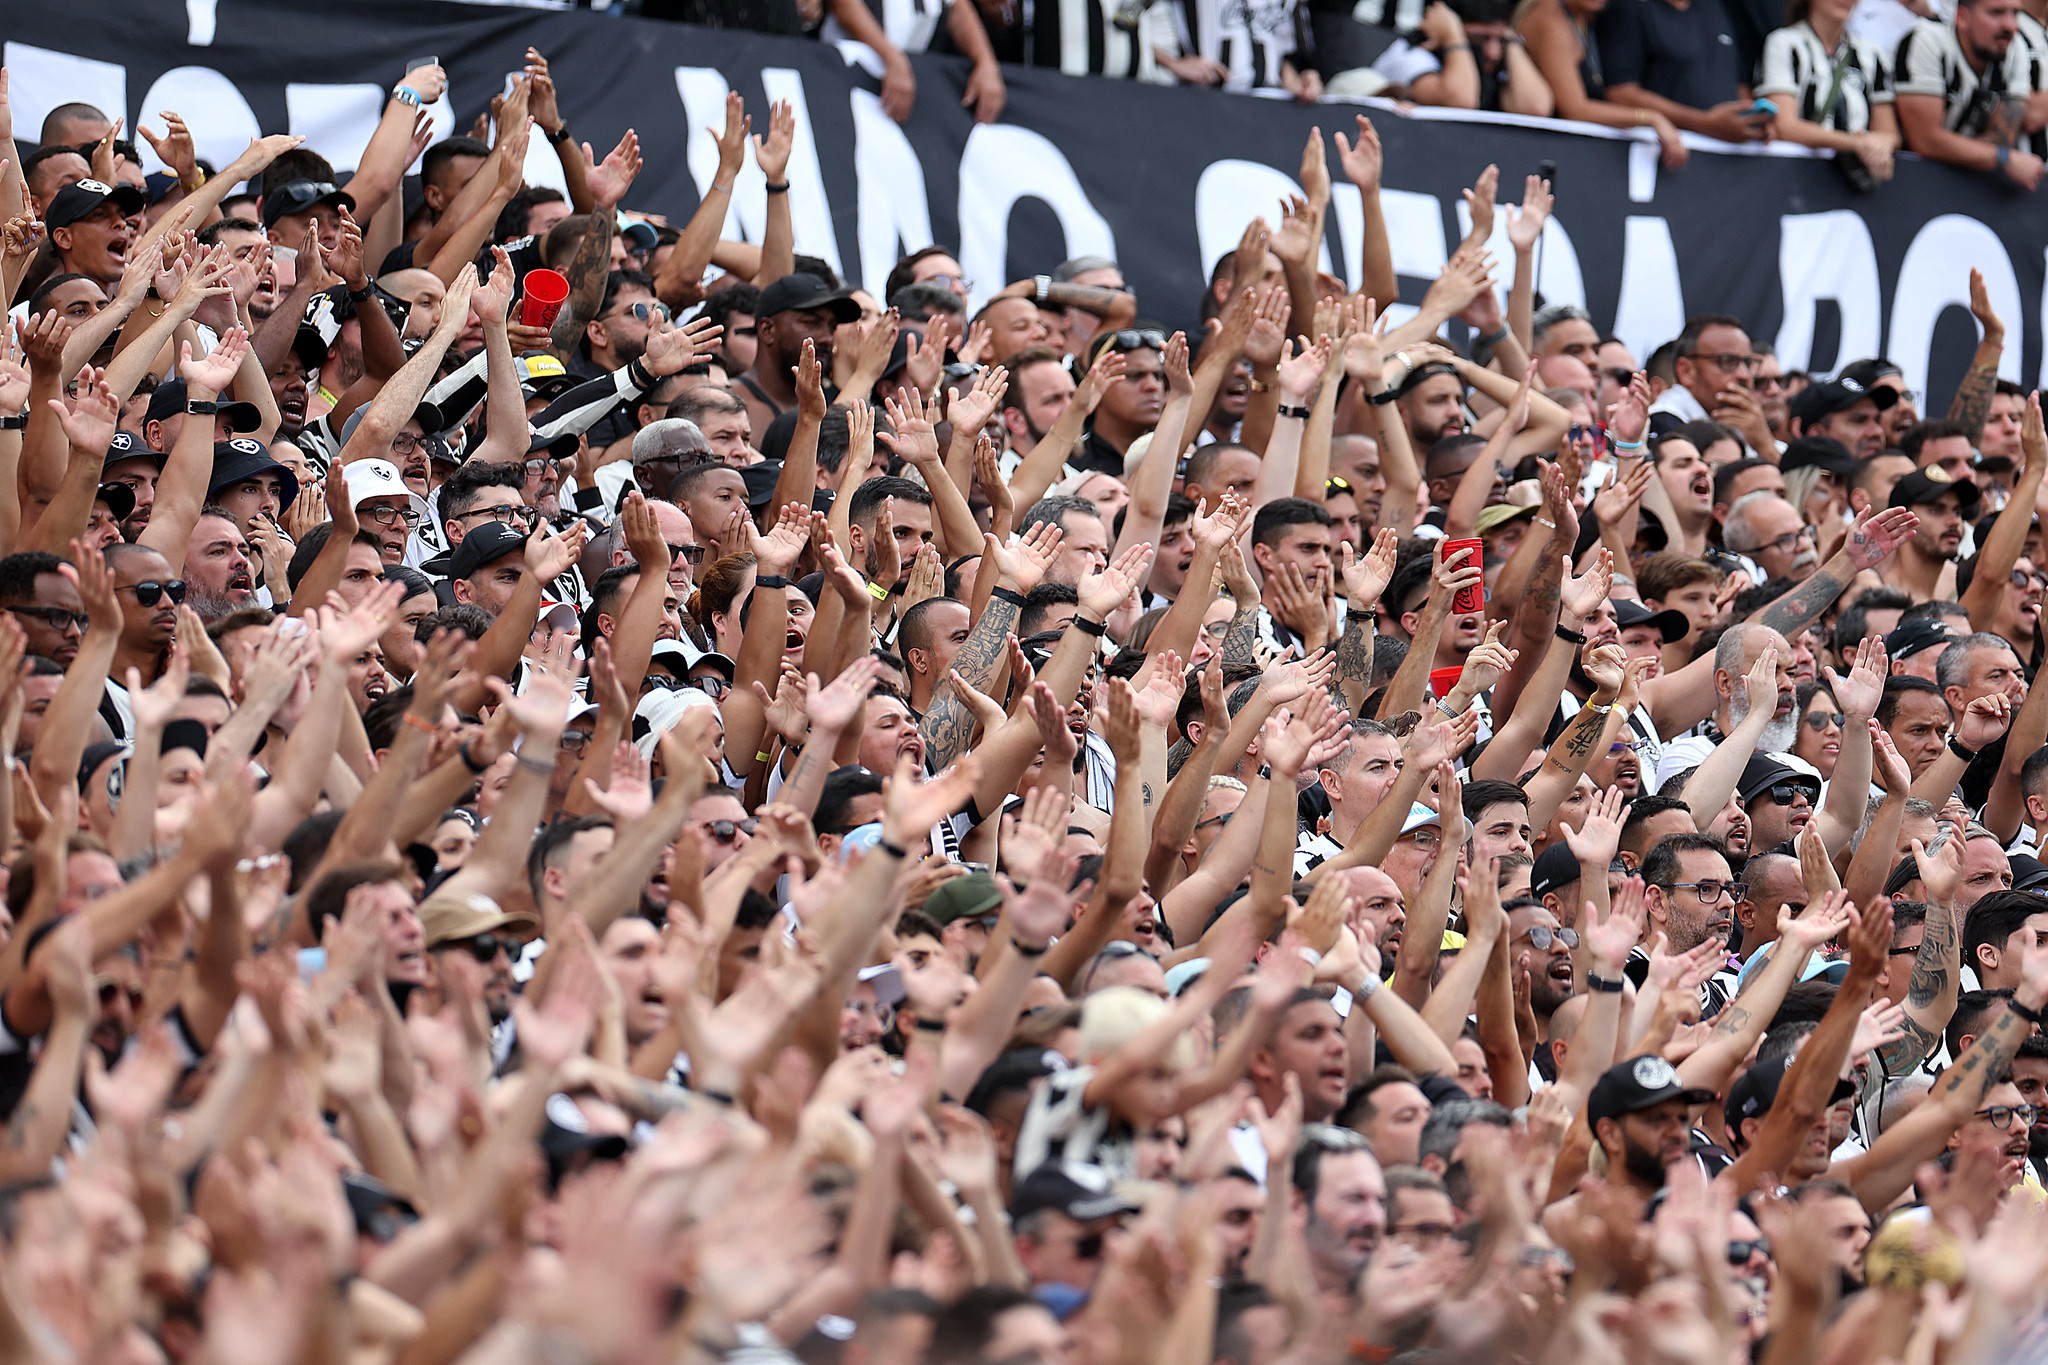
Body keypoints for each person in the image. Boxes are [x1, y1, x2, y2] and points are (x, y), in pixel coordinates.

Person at [1894, 0, 2048, 187]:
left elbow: (2003, 137)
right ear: (1962, 17)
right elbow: (1925, 140)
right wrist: (2002, 158)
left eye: (2015, 13)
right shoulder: (1927, 40)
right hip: (1910, 181)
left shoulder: (2014, 48)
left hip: (1966, 186)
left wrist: (1986, 153)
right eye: (1996, 13)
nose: (2010, 25)